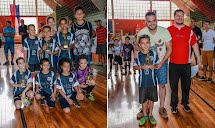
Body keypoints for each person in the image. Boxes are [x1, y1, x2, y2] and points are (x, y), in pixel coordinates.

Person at [135, 12, 172, 119]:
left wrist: (161, 62)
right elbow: (136, 46)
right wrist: (138, 58)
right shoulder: (142, 32)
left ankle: (161, 107)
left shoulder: (164, 31)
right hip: (147, 66)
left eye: (153, 20)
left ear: (156, 20)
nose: (152, 23)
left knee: (161, 85)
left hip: (161, 62)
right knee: (146, 86)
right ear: (146, 22)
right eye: (149, 21)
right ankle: (144, 108)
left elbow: (169, 49)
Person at [167, 9, 201, 113]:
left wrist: (199, 60)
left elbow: (195, 45)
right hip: (173, 64)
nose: (180, 17)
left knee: (186, 87)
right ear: (174, 17)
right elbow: (163, 45)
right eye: (177, 15)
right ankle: (174, 105)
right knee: (173, 87)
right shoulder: (168, 30)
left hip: (186, 65)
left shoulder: (189, 30)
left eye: (181, 15)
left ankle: (185, 103)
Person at [133, 35, 158, 126]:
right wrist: (141, 67)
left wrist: (153, 66)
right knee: (144, 100)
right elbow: (134, 67)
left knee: (151, 99)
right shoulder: (138, 55)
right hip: (142, 82)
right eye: (143, 43)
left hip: (153, 82)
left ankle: (150, 115)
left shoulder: (154, 54)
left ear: (150, 43)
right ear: (139, 44)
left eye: (147, 43)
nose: (145, 45)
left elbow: (158, 65)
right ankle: (144, 115)